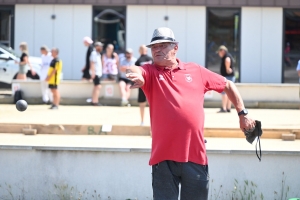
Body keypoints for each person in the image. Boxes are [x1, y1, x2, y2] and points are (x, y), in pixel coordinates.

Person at [126, 27, 255, 200]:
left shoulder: (195, 70)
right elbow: (135, 70)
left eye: (163, 45)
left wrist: (243, 114)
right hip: (163, 159)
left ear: (175, 47)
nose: (157, 50)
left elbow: (228, 85)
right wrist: (138, 77)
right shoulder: (150, 72)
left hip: (194, 155)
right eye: (154, 47)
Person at [135, 45, 153, 125]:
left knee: (143, 104)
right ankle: (150, 122)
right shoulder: (151, 59)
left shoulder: (138, 61)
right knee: (152, 104)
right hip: (150, 84)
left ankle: (142, 121)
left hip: (143, 84)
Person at [217, 45, 235, 113]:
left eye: (219, 52)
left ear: (222, 51)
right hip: (230, 77)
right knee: (230, 93)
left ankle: (224, 108)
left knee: (224, 92)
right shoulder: (228, 55)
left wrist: (227, 68)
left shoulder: (226, 56)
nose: (219, 54)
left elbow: (227, 61)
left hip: (227, 77)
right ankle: (228, 108)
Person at [90, 42, 103, 106]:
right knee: (98, 86)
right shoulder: (94, 53)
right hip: (96, 73)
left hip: (98, 73)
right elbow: (92, 63)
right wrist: (93, 73)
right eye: (99, 46)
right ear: (96, 47)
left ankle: (94, 100)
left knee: (96, 86)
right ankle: (95, 101)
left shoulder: (98, 54)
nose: (101, 48)